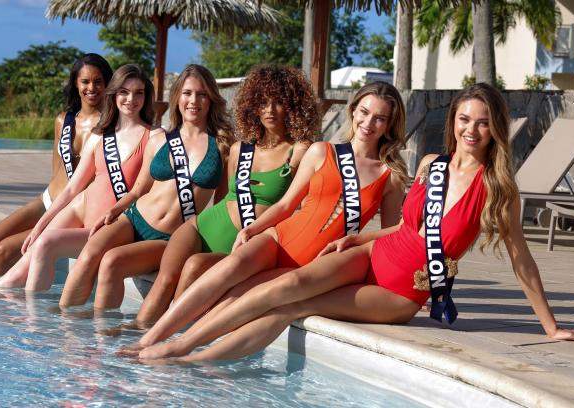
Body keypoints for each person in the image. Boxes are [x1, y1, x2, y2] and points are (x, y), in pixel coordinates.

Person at [136, 83, 574, 362]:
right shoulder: (431, 165)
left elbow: (522, 261)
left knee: (290, 308)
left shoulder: (497, 189)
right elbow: (408, 229)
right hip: (373, 253)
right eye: (464, 119)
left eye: (481, 122)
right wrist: (358, 239)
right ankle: (175, 345)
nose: (470, 130)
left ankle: (187, 359)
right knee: (280, 287)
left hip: (400, 290)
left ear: (494, 127)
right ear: (454, 122)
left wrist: (550, 326)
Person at [131, 81, 409, 351]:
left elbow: (392, 236)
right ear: (353, 111)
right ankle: (148, 341)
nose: (368, 123)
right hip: (279, 238)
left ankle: (180, 347)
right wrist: (252, 229)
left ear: (389, 125)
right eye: (364, 112)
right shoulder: (321, 151)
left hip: (312, 264)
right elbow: (286, 205)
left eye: (380, 118)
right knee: (227, 270)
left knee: (237, 297)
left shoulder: (391, 176)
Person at [129, 64, 319, 320]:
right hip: (201, 226)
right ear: (253, 105)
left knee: (194, 266)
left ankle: (169, 335)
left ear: (293, 105)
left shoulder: (300, 151)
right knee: (164, 280)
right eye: (263, 102)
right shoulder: (240, 149)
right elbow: (223, 198)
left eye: (279, 102)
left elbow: (303, 208)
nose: (270, 110)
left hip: (242, 243)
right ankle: (136, 336)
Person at [57, 64, 234, 308]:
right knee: (88, 254)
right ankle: (62, 326)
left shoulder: (224, 146)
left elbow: (224, 204)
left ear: (211, 98)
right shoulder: (160, 139)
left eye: (201, 94)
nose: (194, 101)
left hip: (169, 237)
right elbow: (138, 190)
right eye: (187, 93)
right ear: (177, 97)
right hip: (133, 218)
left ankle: (101, 331)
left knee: (111, 262)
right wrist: (114, 211)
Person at [0, 64, 153, 290]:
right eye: (124, 92)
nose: (131, 99)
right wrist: (40, 225)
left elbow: (146, 191)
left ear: (146, 96)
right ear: (114, 94)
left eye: (138, 93)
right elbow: (71, 188)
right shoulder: (100, 135)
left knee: (45, 244)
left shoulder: (154, 137)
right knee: (13, 276)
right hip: (80, 207)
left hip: (109, 225)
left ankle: (34, 313)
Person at [0, 54, 113, 277]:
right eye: (85, 81)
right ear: (76, 83)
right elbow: (57, 169)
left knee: (3, 251)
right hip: (48, 200)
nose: (91, 88)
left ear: (108, 84)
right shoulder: (63, 121)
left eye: (98, 81)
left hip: (74, 210)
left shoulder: (111, 127)